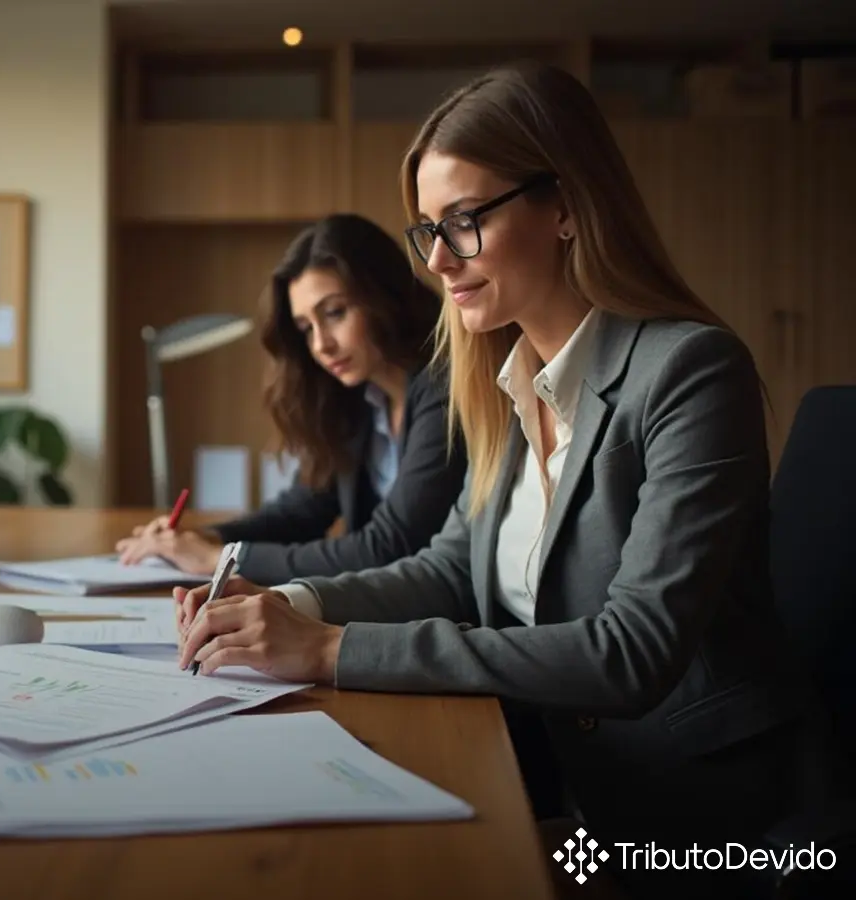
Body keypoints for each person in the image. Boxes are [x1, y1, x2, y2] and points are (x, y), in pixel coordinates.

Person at [173, 63, 833, 900]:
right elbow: (449, 570)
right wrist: (289, 606)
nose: (440, 261)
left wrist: (332, 649)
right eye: (427, 231)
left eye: (465, 221)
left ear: (564, 205)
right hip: (593, 803)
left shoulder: (691, 372)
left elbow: (630, 652)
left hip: (723, 836)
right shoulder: (511, 386)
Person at [115, 213, 466, 585]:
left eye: (334, 313)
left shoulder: (444, 386)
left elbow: (387, 546)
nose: (320, 344)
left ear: (385, 295)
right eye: (305, 328)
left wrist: (224, 558)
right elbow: (303, 508)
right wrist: (207, 537)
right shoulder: (357, 396)